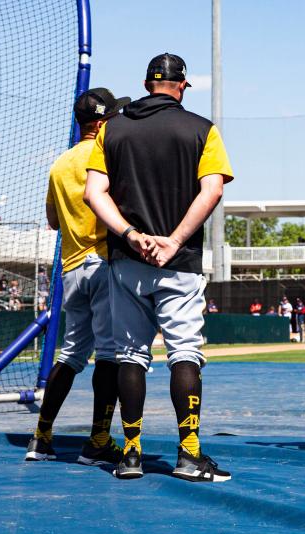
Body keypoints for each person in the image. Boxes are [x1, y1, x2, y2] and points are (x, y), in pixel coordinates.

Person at [84, 53, 233, 482]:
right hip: (179, 261)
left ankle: (130, 455)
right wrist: (174, 240)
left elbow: (95, 192)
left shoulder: (112, 128)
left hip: (128, 260)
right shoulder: (202, 128)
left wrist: (131, 235)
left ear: (148, 83)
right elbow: (212, 191)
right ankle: (188, 456)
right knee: (184, 352)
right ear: (182, 84)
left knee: (130, 355)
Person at [25, 87, 131, 466]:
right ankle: (98, 441)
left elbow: (54, 221)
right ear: (101, 124)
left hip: (71, 268)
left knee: (70, 354)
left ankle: (41, 437)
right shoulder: (107, 154)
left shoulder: (59, 163)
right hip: (104, 262)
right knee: (109, 355)